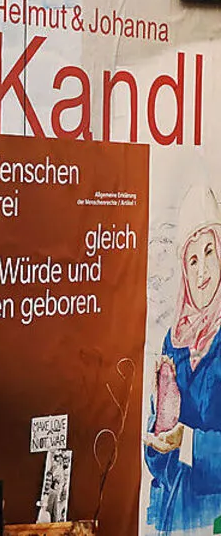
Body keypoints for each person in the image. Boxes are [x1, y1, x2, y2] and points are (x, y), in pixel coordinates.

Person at [145, 185, 221, 532]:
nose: (202, 271)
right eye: (192, 259)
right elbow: (157, 463)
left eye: (210, 252)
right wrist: (158, 429)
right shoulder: (173, 341)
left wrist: (186, 441)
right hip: (169, 518)